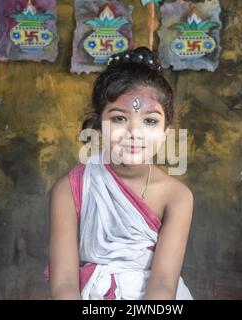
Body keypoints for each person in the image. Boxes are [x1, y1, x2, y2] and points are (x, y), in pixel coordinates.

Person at [48, 47, 193, 300]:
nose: (134, 133)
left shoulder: (177, 197)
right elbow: (63, 284)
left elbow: (162, 284)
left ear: (166, 133)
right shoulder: (69, 190)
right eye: (118, 119)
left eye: (149, 121)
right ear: (98, 126)